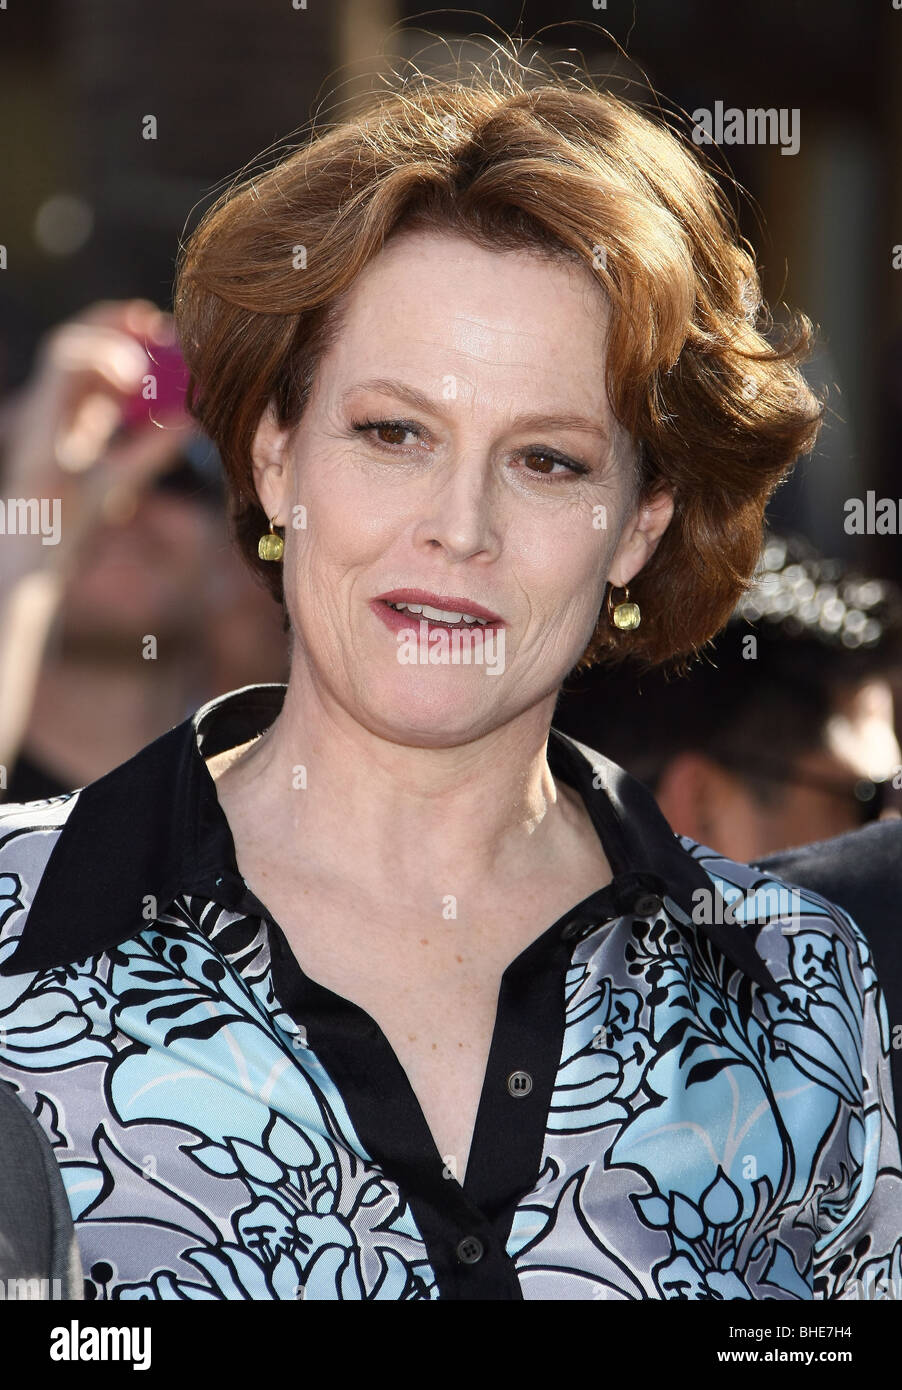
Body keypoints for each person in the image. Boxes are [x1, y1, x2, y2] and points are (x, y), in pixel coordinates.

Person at [0, 49, 898, 1302]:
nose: (457, 527)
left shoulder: (799, 993)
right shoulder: (14, 933)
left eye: (546, 461)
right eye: (392, 432)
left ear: (637, 524)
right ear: (274, 456)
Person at [0, 299, 288, 801]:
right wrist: (34, 527)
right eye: (88, 465)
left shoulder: (269, 824)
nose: (123, 501)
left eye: (177, 476)